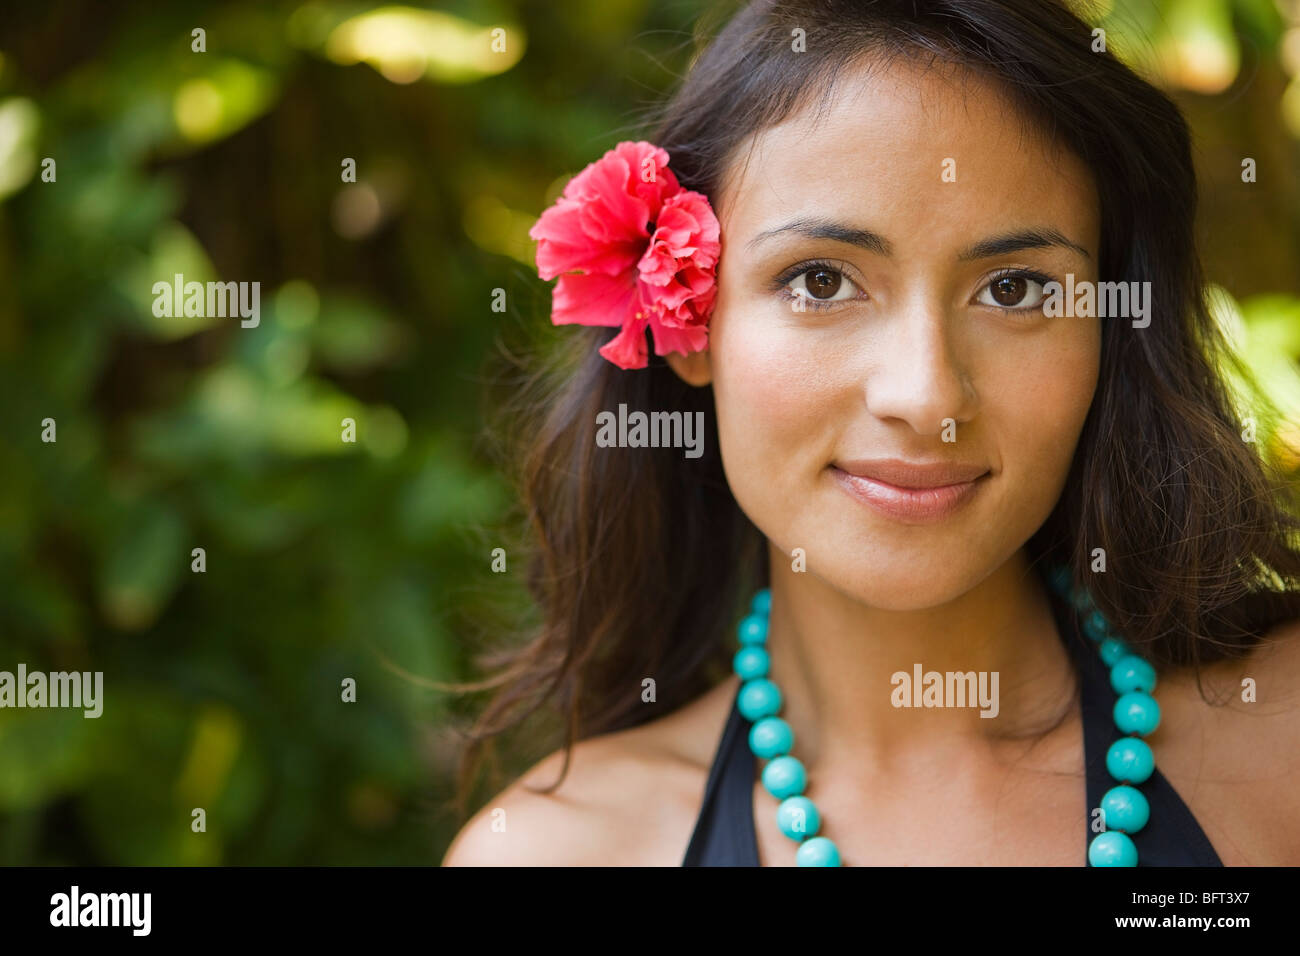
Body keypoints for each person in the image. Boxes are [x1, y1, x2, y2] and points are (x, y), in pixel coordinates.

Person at [443, 0, 1300, 866]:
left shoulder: (1280, 746)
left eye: (1014, 290)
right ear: (687, 321)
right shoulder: (558, 851)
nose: (926, 394)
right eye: (820, 281)